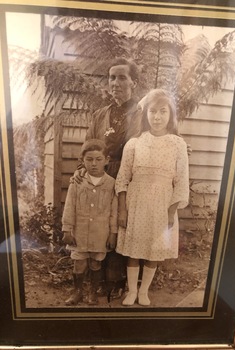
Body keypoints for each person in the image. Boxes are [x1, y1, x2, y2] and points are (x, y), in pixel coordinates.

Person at [73, 58, 142, 300]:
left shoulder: (141, 113)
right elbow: (88, 146)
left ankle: (117, 281)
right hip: (100, 177)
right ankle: (97, 282)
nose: (115, 82)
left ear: (134, 81)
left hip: (128, 178)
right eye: (112, 77)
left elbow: (160, 133)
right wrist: (83, 168)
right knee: (100, 224)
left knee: (119, 226)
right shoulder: (100, 114)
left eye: (122, 77)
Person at [115, 89, 189, 306]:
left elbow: (182, 181)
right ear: (146, 114)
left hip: (163, 205)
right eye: (153, 111)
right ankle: (131, 291)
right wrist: (122, 209)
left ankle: (144, 291)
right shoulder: (135, 143)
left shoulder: (177, 144)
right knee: (133, 250)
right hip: (136, 203)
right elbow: (122, 179)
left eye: (163, 112)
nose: (157, 117)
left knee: (154, 251)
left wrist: (171, 212)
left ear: (171, 115)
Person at [62, 139, 118, 306]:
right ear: (82, 161)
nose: (94, 164)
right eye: (89, 159)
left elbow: (114, 212)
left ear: (106, 160)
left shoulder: (111, 184)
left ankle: (92, 292)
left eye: (98, 159)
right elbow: (69, 206)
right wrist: (67, 229)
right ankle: (77, 292)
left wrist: (113, 233)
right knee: (79, 263)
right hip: (79, 232)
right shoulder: (77, 182)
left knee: (95, 263)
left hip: (100, 234)